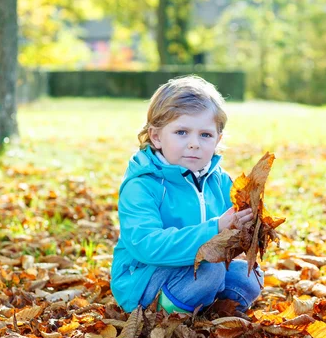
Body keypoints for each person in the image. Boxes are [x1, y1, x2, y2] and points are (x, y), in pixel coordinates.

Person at [110, 75, 263, 313]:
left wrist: (248, 227)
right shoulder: (142, 185)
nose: (194, 143)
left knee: (249, 276)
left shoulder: (220, 180)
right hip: (143, 279)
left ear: (217, 140)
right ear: (157, 136)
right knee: (210, 270)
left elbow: (230, 234)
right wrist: (216, 228)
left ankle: (203, 307)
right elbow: (147, 245)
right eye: (182, 132)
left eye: (205, 135)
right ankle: (163, 312)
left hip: (195, 269)